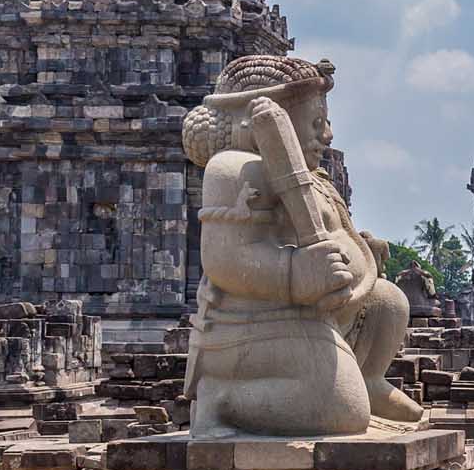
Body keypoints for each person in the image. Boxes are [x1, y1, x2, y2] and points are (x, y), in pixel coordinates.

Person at [181, 55, 424, 437]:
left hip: (323, 313)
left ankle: (367, 377)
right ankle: (220, 398)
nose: (327, 135)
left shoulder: (312, 178)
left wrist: (359, 248)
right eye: (315, 123)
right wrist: (294, 273)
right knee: (341, 410)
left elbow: (327, 229)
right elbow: (224, 259)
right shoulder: (233, 170)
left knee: (388, 301)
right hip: (253, 325)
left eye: (325, 123)